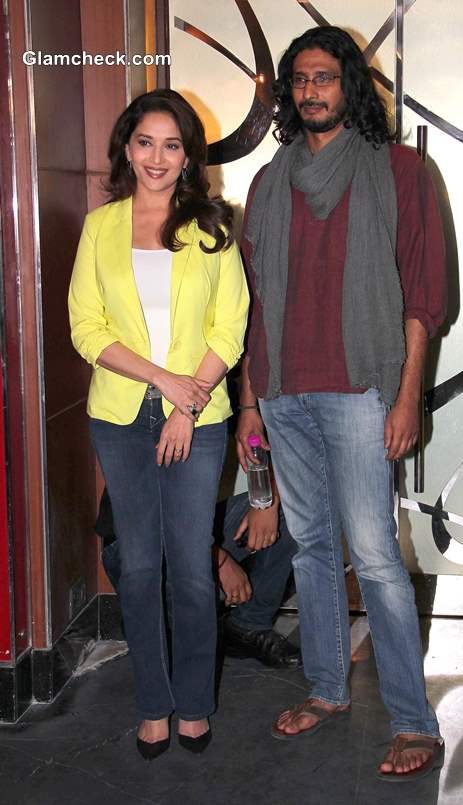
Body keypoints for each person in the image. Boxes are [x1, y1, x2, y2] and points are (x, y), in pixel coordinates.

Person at [236, 27, 447, 782]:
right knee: (314, 548)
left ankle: (414, 719)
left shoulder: (399, 171)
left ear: (349, 84)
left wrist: (407, 394)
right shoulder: (268, 182)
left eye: (324, 77)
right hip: (284, 391)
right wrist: (250, 407)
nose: (310, 90)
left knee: (378, 557)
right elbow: (251, 305)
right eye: (298, 79)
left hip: (361, 389)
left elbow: (423, 294)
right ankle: (327, 688)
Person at [68, 89, 249, 759]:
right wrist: (160, 383)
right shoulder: (101, 226)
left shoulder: (213, 227)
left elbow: (229, 325)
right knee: (138, 566)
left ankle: (195, 702)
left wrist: (186, 402)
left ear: (189, 156)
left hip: (197, 419)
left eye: (172, 145)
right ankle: (152, 702)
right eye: (145, 142)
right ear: (126, 147)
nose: (157, 157)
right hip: (119, 415)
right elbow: (86, 325)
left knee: (192, 572)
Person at [95, 487, 302, 668]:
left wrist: (268, 501)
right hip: (137, 543)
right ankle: (147, 619)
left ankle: (248, 626)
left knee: (289, 506)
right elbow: (145, 518)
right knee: (183, 662)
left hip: (196, 529)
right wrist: (218, 559)